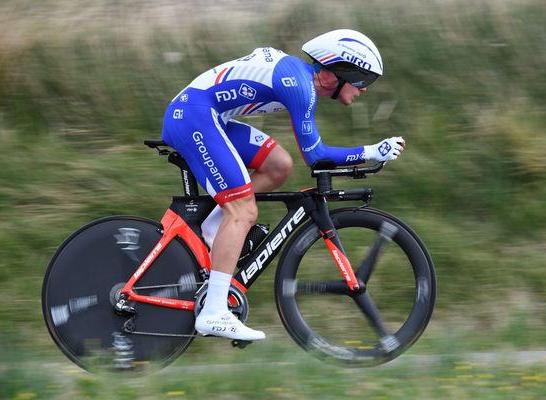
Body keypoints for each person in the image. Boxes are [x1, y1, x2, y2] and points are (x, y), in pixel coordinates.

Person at [160, 29, 405, 341]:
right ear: (338, 72)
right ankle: (214, 312)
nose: (364, 90)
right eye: (362, 80)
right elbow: (315, 156)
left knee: (279, 165)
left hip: (206, 114)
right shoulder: (301, 85)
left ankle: (212, 234)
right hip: (194, 117)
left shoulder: (300, 78)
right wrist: (371, 151)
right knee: (243, 211)